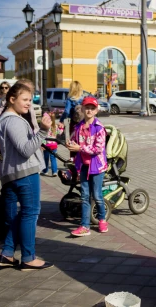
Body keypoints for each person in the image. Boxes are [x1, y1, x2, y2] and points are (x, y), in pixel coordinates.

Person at [0, 82, 54, 270]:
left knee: (24, 213)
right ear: (12, 99)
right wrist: (42, 131)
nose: (28, 104)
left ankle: (7, 254)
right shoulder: (14, 121)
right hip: (24, 172)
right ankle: (28, 257)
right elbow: (26, 150)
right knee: (31, 212)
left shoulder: (3, 119)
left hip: (10, 174)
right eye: (24, 100)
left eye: (30, 100)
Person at [67, 97, 108, 236]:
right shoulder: (78, 127)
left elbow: (98, 149)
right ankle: (84, 226)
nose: (89, 110)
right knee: (84, 196)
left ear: (96, 110)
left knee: (97, 195)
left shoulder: (99, 128)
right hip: (83, 165)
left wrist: (80, 148)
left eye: (92, 108)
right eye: (87, 107)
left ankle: (102, 219)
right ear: (83, 109)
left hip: (97, 166)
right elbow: (74, 141)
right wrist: (71, 145)